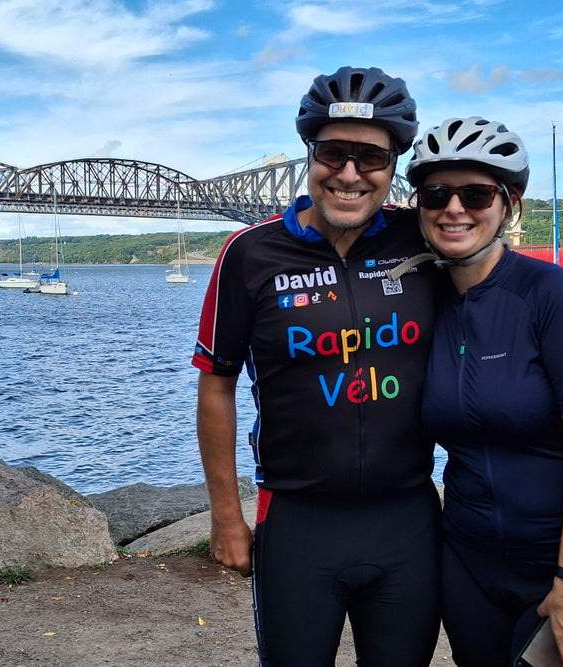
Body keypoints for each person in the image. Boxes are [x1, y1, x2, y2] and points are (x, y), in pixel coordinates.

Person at [192, 66, 441, 666]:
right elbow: (216, 387)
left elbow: (501, 300)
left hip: (407, 518)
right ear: (310, 152)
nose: (350, 174)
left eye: (371, 158)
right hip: (298, 523)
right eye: (333, 153)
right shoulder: (249, 254)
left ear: (394, 166)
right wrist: (227, 516)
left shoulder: (423, 243)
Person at [390, 117, 563, 667]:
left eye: (477, 193)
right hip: (472, 564)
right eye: (436, 193)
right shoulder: (424, 302)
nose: (454, 208)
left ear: (509, 204)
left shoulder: (553, 295)